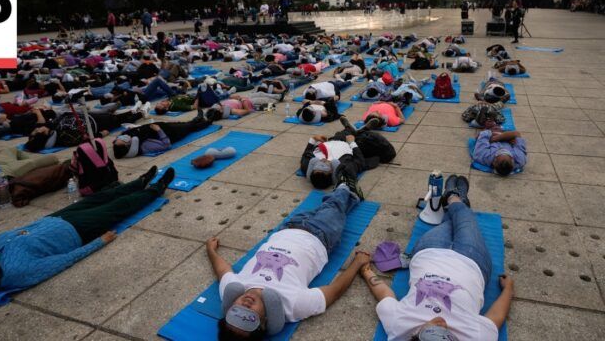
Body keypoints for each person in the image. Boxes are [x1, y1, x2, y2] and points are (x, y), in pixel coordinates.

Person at [0, 166, 175, 313]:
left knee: (102, 196)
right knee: (119, 206)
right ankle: (155, 189)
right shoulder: (18, 273)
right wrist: (99, 242)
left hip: (53, 220)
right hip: (76, 231)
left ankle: (139, 182)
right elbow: (63, 261)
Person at [207, 175, 370, 338]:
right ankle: (346, 184)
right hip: (321, 235)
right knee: (334, 205)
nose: (245, 305)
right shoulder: (293, 305)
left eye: (236, 312)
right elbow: (333, 292)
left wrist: (211, 250)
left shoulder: (233, 288)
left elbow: (222, 270)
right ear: (263, 323)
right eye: (249, 317)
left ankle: (350, 197)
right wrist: (357, 264)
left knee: (331, 206)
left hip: (287, 228)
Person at [361, 175, 515, 340]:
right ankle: (454, 197)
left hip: (429, 252)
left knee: (451, 221)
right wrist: (508, 289)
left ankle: (455, 199)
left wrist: (365, 270)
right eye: (448, 333)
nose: (443, 323)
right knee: (464, 219)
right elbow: (495, 317)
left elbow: (384, 295)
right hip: (472, 260)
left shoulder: (398, 326)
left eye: (434, 327)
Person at [300, 117, 396, 189]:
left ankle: (349, 128)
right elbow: (360, 162)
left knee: (343, 133)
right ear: (331, 172)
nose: (322, 161)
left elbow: (306, 154)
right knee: (384, 150)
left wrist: (313, 139)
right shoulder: (346, 168)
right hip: (351, 146)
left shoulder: (308, 165)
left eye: (318, 166)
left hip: (334, 141)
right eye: (324, 167)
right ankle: (363, 131)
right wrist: (352, 143)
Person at [112, 113, 211, 158]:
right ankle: (208, 121)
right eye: (122, 139)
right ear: (128, 145)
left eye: (119, 138)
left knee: (185, 124)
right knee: (190, 127)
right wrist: (159, 130)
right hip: (172, 134)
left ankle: (198, 119)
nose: (121, 137)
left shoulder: (129, 137)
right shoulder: (144, 147)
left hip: (165, 127)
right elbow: (166, 145)